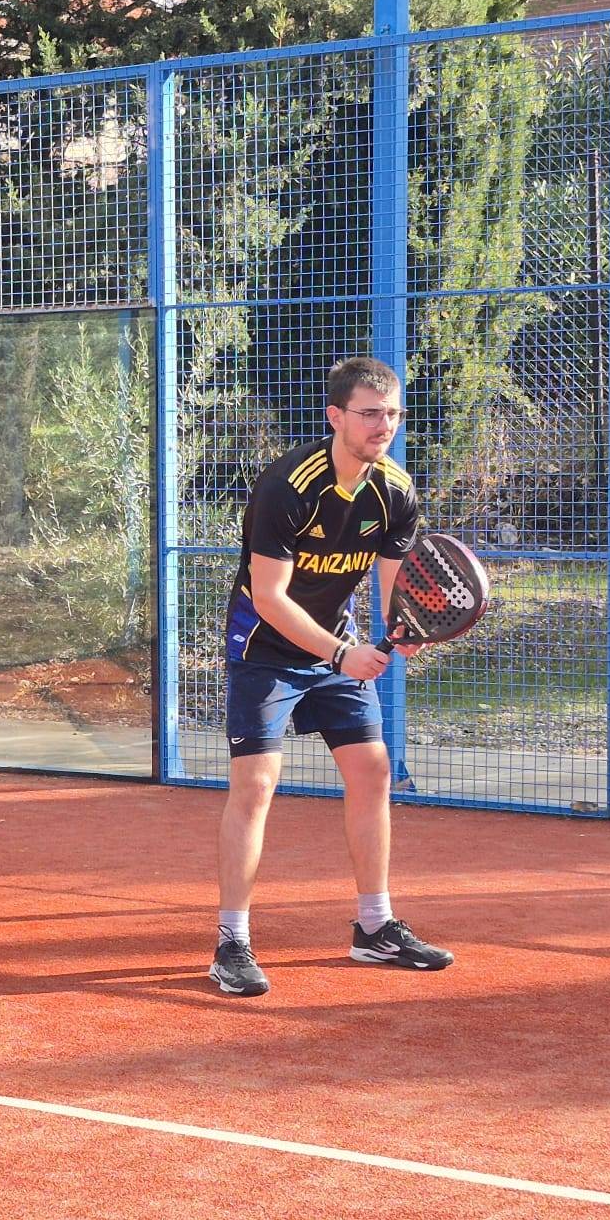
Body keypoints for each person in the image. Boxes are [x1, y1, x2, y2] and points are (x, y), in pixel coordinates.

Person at [209, 356, 454, 997]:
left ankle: (374, 928)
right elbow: (269, 597)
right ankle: (232, 941)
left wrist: (404, 629)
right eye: (370, 413)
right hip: (264, 648)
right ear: (335, 416)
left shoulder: (395, 491)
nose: (384, 425)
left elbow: (394, 587)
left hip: (333, 648)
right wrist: (342, 654)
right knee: (256, 785)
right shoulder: (287, 486)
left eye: (392, 413)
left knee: (372, 771)